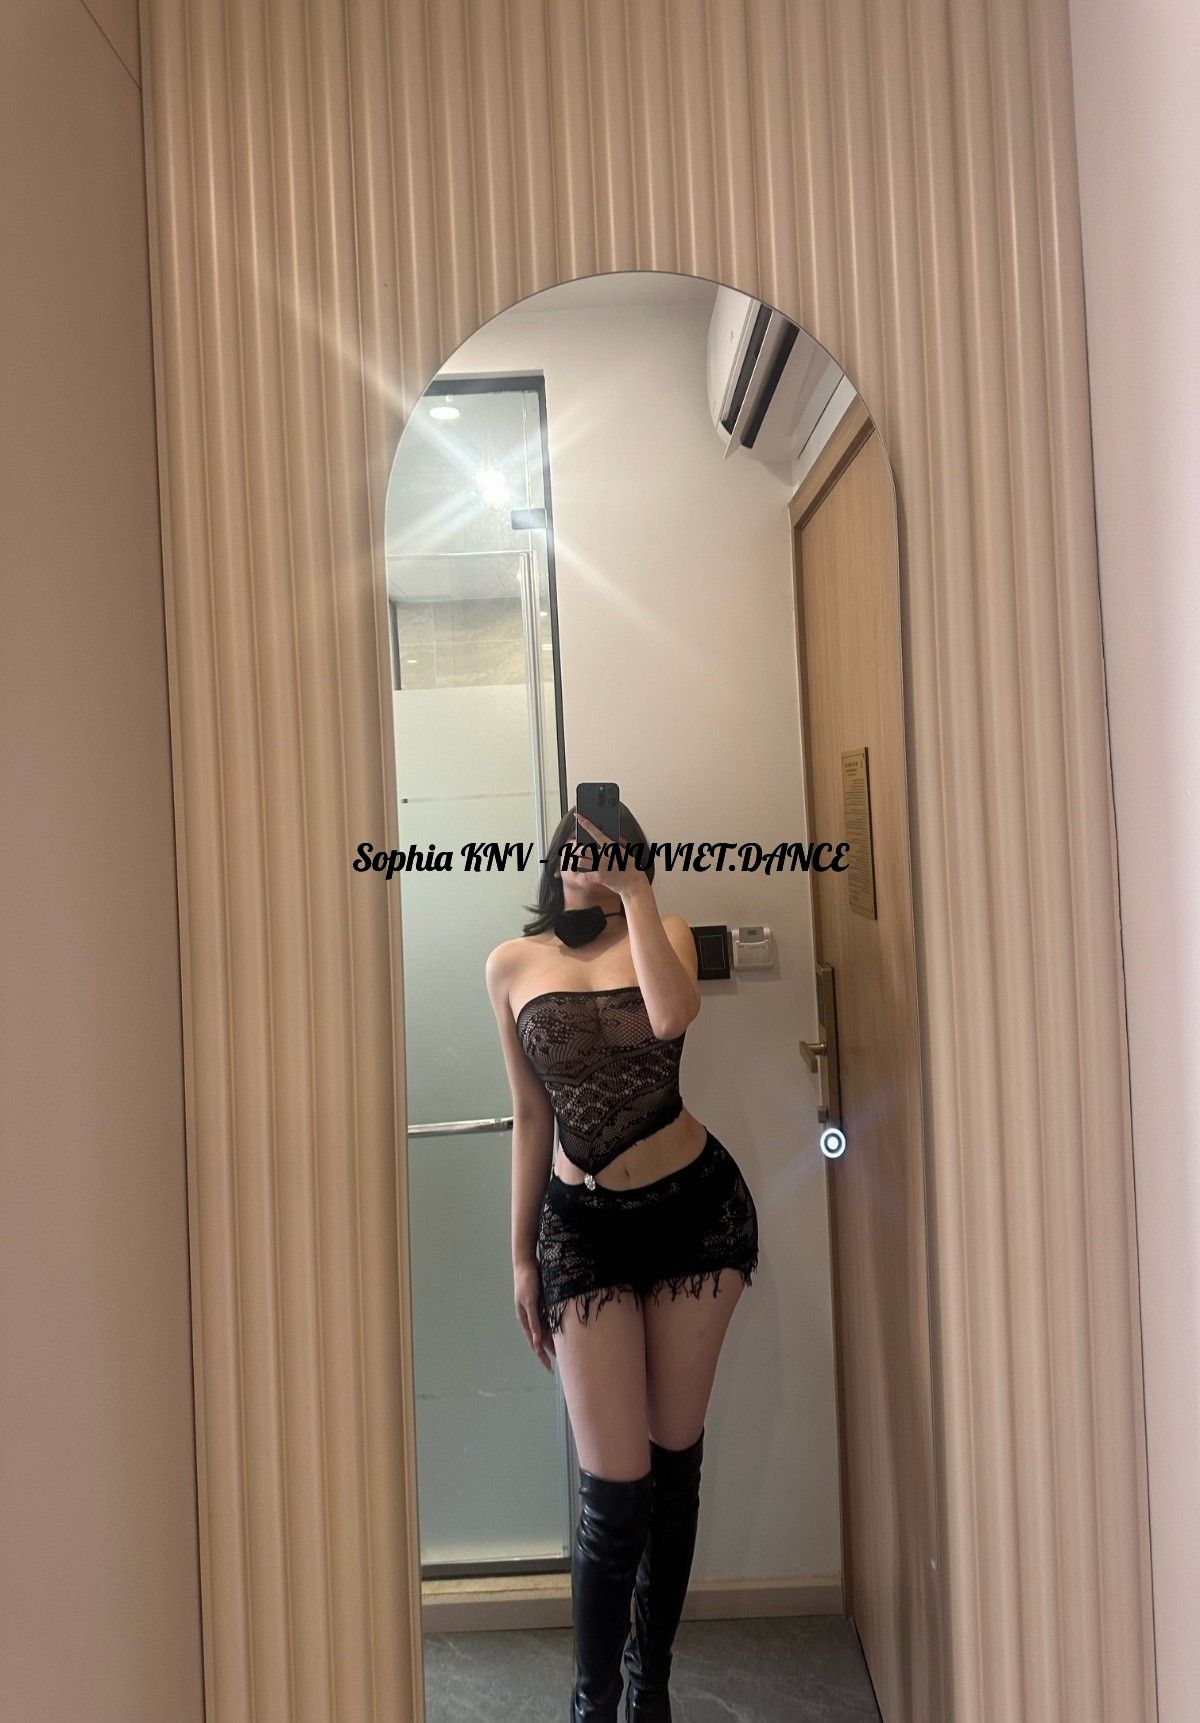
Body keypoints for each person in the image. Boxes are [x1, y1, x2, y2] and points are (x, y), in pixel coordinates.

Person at [485, 802, 760, 1722]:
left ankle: (652, 1685)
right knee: (615, 1490)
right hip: (582, 1230)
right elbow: (532, 1115)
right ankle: (592, 1699)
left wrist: (636, 895)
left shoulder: (662, 929)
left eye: (606, 842)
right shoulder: (511, 964)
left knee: (673, 1468)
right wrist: (521, 1256)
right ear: (553, 855)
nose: (587, 851)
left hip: (695, 1216)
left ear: (632, 855)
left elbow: (672, 1013)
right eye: (574, 839)